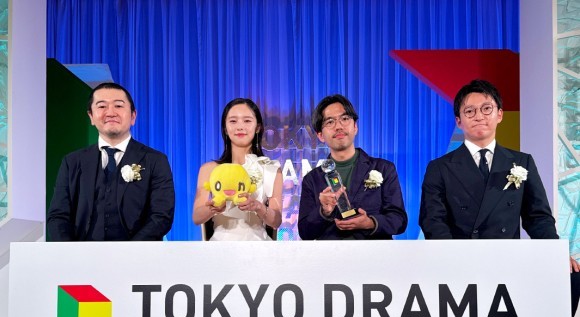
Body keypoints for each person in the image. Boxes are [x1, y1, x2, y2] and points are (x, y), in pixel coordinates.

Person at [419, 79, 580, 316]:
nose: (479, 116)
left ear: (500, 114)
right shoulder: (439, 167)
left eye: (486, 109)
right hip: (460, 259)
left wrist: (555, 253)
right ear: (459, 121)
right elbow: (433, 220)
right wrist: (452, 256)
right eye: (469, 111)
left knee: (571, 275)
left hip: (507, 257)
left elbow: (538, 217)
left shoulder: (522, 162)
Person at [47, 82, 175, 241]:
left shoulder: (155, 160)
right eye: (102, 106)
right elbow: (58, 216)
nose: (110, 112)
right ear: (91, 116)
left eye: (118, 106)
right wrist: (71, 251)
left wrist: (131, 250)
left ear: (133, 116)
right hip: (82, 254)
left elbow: (161, 216)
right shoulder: (72, 162)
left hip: (137, 253)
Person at [298, 94, 407, 240]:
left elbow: (399, 220)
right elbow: (305, 232)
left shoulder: (384, 169)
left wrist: (370, 223)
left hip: (373, 252)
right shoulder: (312, 179)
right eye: (330, 122)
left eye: (344, 119)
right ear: (320, 135)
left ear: (355, 127)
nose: (338, 126)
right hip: (332, 253)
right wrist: (324, 211)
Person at [192, 98, 282, 241]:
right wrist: (213, 208)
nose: (240, 127)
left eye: (247, 121)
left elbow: (276, 221)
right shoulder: (209, 169)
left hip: (258, 244)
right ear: (225, 128)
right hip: (219, 245)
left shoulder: (271, 169)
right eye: (233, 121)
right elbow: (197, 218)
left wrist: (258, 206)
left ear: (258, 127)